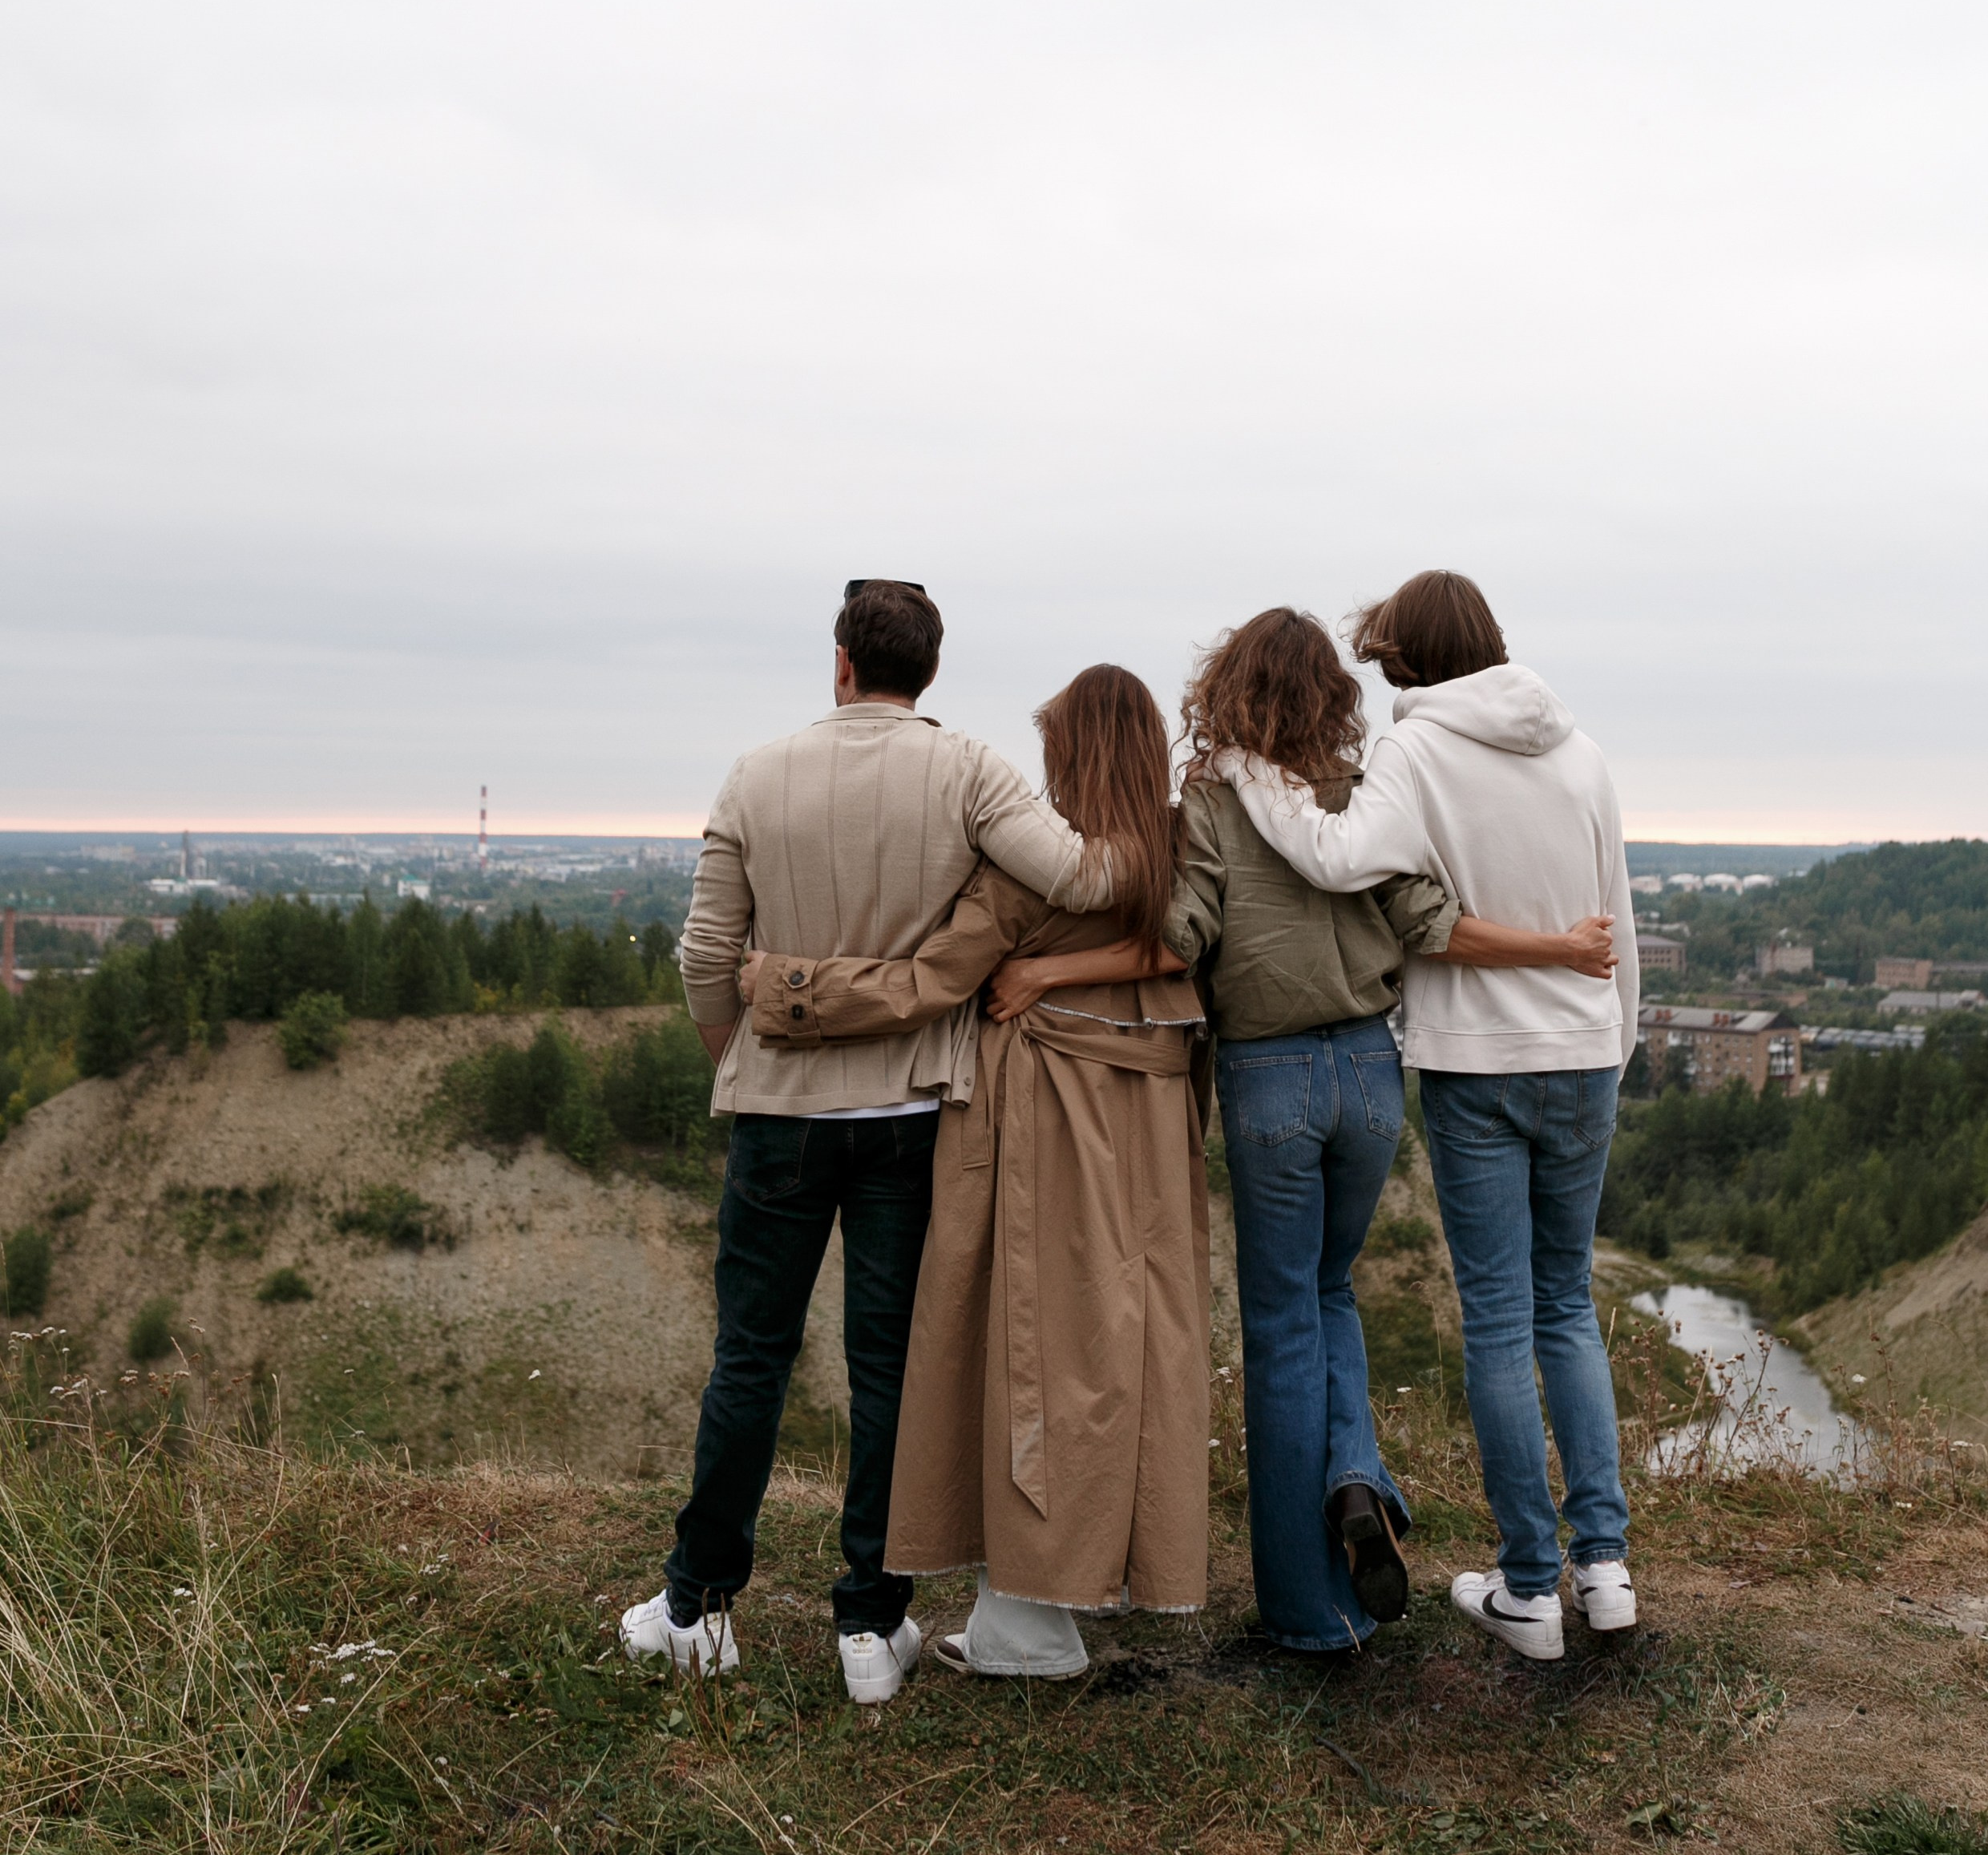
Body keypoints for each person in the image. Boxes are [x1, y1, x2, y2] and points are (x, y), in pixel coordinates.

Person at [620, 580, 1112, 1706]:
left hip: (782, 1112)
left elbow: (706, 954)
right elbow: (1080, 876)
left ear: (840, 662)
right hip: (908, 1115)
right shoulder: (970, 770)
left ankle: (697, 1602)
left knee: (752, 1357)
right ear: (925, 672)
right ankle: (868, 1623)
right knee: (889, 1366)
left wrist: (735, 1062)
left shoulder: (757, 773)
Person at [1170, 607, 1619, 1657]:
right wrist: (1560, 948)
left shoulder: (1210, 793)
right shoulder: (1371, 789)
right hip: (1371, 1072)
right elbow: (1430, 921)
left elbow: (1183, 929)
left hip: (1270, 1074)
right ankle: (1358, 1485)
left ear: (1225, 690)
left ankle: (1303, 1610)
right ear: (1331, 693)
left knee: (1282, 1320)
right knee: (1332, 1294)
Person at [743, 664, 1204, 1680]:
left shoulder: (1022, 874)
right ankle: (1065, 1597)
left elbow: (926, 985)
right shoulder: (1184, 854)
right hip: (1151, 1138)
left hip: (1034, 1123)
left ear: (1069, 754)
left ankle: (1029, 1621)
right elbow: (1200, 947)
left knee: (1019, 1351)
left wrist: (782, 990)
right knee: (1118, 1351)